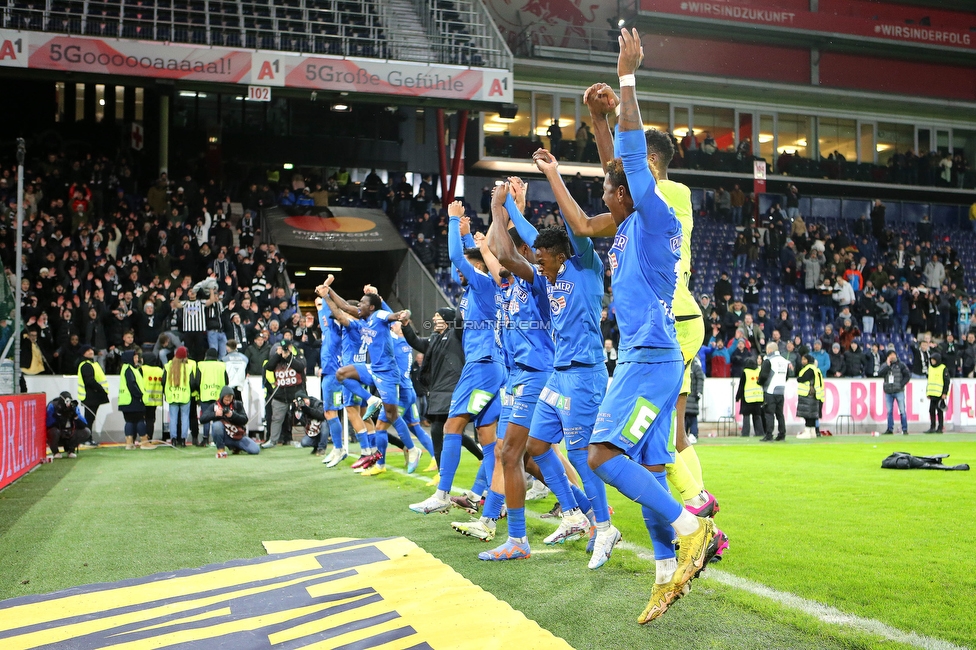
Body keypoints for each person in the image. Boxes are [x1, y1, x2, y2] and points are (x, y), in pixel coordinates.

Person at [549, 34, 719, 622]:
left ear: (633, 190)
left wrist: (625, 83)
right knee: (647, 467)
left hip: (648, 358)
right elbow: (615, 166)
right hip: (649, 357)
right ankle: (667, 573)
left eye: (611, 188)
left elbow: (627, 168)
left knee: (599, 454)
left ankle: (690, 526)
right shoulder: (626, 227)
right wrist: (598, 122)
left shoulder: (654, 217)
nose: (604, 188)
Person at [409, 204, 504, 514]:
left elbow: (456, 260)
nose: (457, 274)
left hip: (482, 366)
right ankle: (495, 502)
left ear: (475, 267)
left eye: (466, 268)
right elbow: (461, 261)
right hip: (487, 366)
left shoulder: (485, 284)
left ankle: (442, 494)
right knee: (488, 438)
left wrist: (451, 220)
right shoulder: (476, 287)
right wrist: (465, 236)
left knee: (452, 425)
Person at [320, 278, 406, 475]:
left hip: (377, 371)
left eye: (362, 304)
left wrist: (326, 297)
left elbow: (341, 313)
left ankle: (374, 450)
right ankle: (375, 453)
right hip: (368, 369)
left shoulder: (364, 320)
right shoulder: (365, 323)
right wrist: (328, 294)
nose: (359, 306)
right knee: (374, 418)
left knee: (359, 413)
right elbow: (343, 309)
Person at [316, 298, 349, 467]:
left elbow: (324, 318)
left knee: (331, 413)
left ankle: (339, 448)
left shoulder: (333, 331)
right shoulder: (338, 331)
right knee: (331, 413)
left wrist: (322, 299)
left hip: (333, 377)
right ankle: (338, 447)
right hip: (332, 375)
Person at [262, 339, 307, 448]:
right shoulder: (276, 359)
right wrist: (278, 355)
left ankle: (308, 439)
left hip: (297, 392)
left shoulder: (297, 356)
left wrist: (288, 356)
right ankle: (273, 441)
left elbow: (300, 366)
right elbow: (268, 367)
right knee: (276, 418)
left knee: (304, 416)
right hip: (281, 393)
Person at [203, 386, 260, 457]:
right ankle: (221, 449)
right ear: (221, 397)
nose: (227, 402)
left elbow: (245, 420)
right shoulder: (215, 406)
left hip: (237, 435)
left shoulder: (237, 404)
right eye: (226, 400)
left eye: (229, 400)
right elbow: (202, 419)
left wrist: (232, 415)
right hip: (224, 437)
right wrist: (215, 414)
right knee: (216, 425)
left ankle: (236, 447)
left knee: (255, 450)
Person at [76, 345, 109, 446]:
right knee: (89, 419)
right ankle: (86, 439)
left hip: (94, 396)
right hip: (90, 396)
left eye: (91, 350)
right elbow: (89, 380)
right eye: (87, 351)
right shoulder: (86, 365)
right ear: (83, 353)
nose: (91, 352)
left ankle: (87, 439)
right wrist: (100, 389)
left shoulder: (92, 364)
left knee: (90, 419)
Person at [195, 348, 228, 447]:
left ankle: (205, 439)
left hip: (205, 394)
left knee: (206, 417)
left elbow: (197, 381)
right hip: (218, 396)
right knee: (217, 417)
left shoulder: (201, 365)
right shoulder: (221, 365)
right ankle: (216, 439)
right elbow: (226, 381)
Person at [163, 346, 195, 447]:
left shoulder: (168, 366)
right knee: (185, 417)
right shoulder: (188, 367)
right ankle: (183, 440)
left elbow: (163, 381)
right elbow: (193, 383)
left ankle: (173, 439)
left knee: (173, 418)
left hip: (172, 395)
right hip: (185, 396)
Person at [758, 341, 789, 441]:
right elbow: (787, 376)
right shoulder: (785, 361)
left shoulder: (768, 360)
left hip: (770, 390)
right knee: (780, 414)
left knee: (769, 413)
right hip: (781, 390)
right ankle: (782, 434)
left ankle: (769, 435)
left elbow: (763, 375)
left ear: (770, 350)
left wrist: (760, 383)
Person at [117, 350, 147, 450]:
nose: (136, 359)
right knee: (140, 420)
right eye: (134, 357)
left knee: (129, 421)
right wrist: (139, 394)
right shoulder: (129, 369)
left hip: (125, 401)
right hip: (133, 400)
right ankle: (144, 442)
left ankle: (129, 443)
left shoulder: (125, 368)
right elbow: (132, 384)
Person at [46, 391, 89, 459]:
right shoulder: (53, 406)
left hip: (69, 432)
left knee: (86, 432)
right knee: (54, 432)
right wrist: (58, 416)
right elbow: (48, 424)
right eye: (67, 401)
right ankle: (56, 452)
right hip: (58, 432)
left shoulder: (74, 407)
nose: (68, 404)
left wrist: (75, 416)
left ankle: (71, 450)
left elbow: (84, 424)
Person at [880, 347, 911, 435]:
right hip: (888, 391)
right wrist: (887, 365)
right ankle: (890, 429)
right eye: (890, 355)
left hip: (899, 391)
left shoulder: (901, 365)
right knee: (889, 411)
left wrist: (901, 384)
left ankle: (904, 429)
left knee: (902, 411)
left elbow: (907, 375)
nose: (892, 356)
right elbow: (880, 373)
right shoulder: (885, 365)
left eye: (893, 354)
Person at [795, 354, 824, 440]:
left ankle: (807, 432)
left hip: (808, 395)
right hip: (815, 395)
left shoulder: (809, 369)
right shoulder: (816, 369)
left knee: (808, 415)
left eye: (804, 359)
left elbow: (802, 379)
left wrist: (798, 378)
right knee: (811, 415)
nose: (802, 361)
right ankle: (812, 431)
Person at [736, 357, 765, 438]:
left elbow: (741, 386)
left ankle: (745, 433)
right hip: (758, 397)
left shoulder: (745, 372)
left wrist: (737, 397)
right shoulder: (758, 370)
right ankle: (759, 433)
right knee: (757, 416)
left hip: (747, 398)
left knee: (746, 416)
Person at [141, 352, 165, 444]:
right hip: (155, 399)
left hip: (144, 399)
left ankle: (142, 439)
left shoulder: (142, 369)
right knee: (150, 420)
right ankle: (149, 438)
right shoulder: (159, 370)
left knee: (141, 420)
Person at [925, 353, 949, 434]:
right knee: (931, 410)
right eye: (931, 360)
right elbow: (929, 381)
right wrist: (927, 392)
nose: (932, 361)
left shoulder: (943, 368)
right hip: (932, 393)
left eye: (933, 360)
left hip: (939, 394)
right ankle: (932, 427)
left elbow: (946, 381)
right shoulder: (930, 368)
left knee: (939, 411)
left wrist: (944, 393)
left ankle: (940, 427)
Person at [684, 357, 704, 443]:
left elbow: (700, 379)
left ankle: (690, 434)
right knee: (689, 417)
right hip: (688, 397)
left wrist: (698, 392)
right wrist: (699, 392)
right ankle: (692, 434)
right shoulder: (695, 366)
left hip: (689, 396)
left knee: (690, 417)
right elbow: (700, 379)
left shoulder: (693, 366)